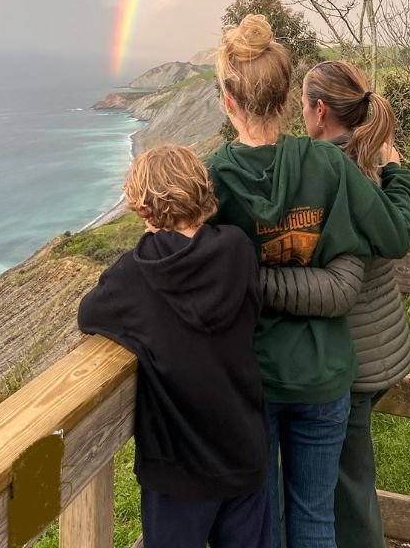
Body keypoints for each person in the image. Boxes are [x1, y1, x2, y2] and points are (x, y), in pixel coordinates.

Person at [207, 15, 410, 548]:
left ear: (228, 100)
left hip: (254, 377)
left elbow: (185, 270)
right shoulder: (328, 164)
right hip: (325, 373)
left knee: (267, 521)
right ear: (285, 98)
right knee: (317, 519)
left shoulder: (213, 179)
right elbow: (390, 236)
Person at [78, 144, 271, 548]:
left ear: (144, 209)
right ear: (200, 192)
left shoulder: (133, 275)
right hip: (244, 448)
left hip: (177, 467)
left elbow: (89, 315)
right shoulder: (237, 250)